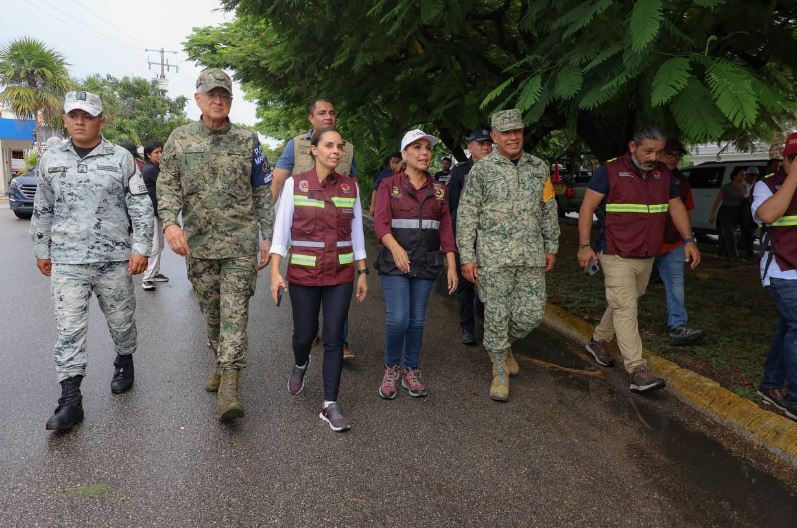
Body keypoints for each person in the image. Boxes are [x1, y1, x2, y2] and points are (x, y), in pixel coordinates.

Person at [31, 91, 154, 431]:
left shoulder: (121, 159)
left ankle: (124, 359)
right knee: (68, 330)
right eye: (73, 115)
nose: (80, 122)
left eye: (87, 115)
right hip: (67, 260)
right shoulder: (51, 160)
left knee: (122, 322)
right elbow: (43, 208)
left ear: (101, 120)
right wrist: (42, 249)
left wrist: (141, 247)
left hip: (113, 259)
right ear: (66, 119)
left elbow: (140, 206)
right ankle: (70, 401)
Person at [157, 68, 274, 421]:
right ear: (198, 99)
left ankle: (230, 387)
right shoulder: (180, 139)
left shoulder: (248, 140)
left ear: (231, 100)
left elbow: (262, 190)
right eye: (211, 94)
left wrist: (267, 237)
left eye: (224, 94)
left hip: (240, 243)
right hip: (199, 245)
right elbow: (167, 186)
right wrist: (170, 224)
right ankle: (219, 364)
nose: (218, 99)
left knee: (235, 312)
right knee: (212, 314)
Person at [578, 126, 701, 393]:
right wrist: (584, 246)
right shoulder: (609, 172)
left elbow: (676, 206)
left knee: (629, 298)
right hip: (615, 252)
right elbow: (586, 208)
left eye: (659, 152)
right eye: (648, 151)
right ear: (633, 147)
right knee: (625, 307)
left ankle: (599, 339)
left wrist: (689, 240)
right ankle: (637, 370)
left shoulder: (663, 174)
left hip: (647, 254)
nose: (653, 157)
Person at [457, 109, 560, 402]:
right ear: (494, 136)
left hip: (530, 255)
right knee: (497, 313)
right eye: (505, 132)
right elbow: (467, 216)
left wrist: (551, 245)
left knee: (531, 315)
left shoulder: (539, 167)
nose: (513, 137)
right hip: (493, 258)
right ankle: (499, 372)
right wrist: (467, 256)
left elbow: (548, 209)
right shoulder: (482, 169)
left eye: (517, 131)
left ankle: (501, 346)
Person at [270, 128, 368, 431]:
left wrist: (362, 271)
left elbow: (357, 234)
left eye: (340, 146)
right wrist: (275, 271)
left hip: (340, 274)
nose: (336, 151)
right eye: (329, 145)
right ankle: (300, 362)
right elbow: (281, 231)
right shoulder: (294, 185)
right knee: (304, 334)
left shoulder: (350, 187)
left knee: (334, 337)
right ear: (314, 150)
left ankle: (330, 404)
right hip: (303, 273)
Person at [373, 129, 458, 400]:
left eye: (427, 148)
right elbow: (380, 222)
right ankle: (391, 368)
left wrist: (452, 263)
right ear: (404, 154)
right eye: (417, 147)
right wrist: (395, 248)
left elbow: (445, 228)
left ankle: (411, 369)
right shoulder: (389, 185)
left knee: (417, 320)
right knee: (399, 318)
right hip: (395, 263)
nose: (424, 153)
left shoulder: (439, 190)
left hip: (426, 263)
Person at [272, 98, 358, 359]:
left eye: (332, 112)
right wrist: (271, 221)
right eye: (322, 113)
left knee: (338, 279)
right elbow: (278, 178)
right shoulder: (296, 145)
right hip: (304, 226)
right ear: (311, 118)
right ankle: (309, 332)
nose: (328, 116)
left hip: (335, 226)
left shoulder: (347, 148)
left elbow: (353, 184)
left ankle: (338, 340)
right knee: (306, 296)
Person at [753, 132, 797, 420]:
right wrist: (794, 178)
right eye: (792, 159)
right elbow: (767, 215)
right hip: (782, 270)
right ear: (784, 158)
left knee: (787, 328)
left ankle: (770, 385)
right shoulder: (766, 185)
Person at [656, 139, 704, 345]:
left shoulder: (682, 182)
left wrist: (689, 240)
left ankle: (678, 326)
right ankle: (617, 325)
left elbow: (686, 212)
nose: (674, 159)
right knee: (631, 288)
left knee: (676, 285)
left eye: (677, 155)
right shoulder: (647, 176)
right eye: (669, 154)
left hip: (674, 244)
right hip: (645, 244)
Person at [447, 128, 491, 344]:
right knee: (466, 285)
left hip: (491, 240)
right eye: (480, 143)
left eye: (488, 143)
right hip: (466, 239)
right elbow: (452, 208)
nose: (485, 147)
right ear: (470, 146)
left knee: (488, 283)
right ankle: (467, 327)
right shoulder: (460, 172)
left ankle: (482, 317)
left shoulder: (498, 171)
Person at [140, 140, 169, 290]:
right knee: (155, 246)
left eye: (161, 151)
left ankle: (155, 273)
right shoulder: (151, 170)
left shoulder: (155, 167)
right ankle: (147, 278)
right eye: (156, 152)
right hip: (151, 213)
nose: (160, 154)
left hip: (157, 212)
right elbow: (167, 185)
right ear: (148, 155)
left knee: (160, 245)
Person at [709, 167, 750, 260]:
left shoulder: (744, 187)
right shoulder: (727, 187)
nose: (744, 177)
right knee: (730, 233)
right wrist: (712, 215)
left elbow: (745, 199)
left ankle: (720, 253)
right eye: (741, 174)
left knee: (725, 235)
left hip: (736, 213)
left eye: (745, 175)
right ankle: (734, 256)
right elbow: (716, 201)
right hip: (725, 211)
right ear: (735, 176)